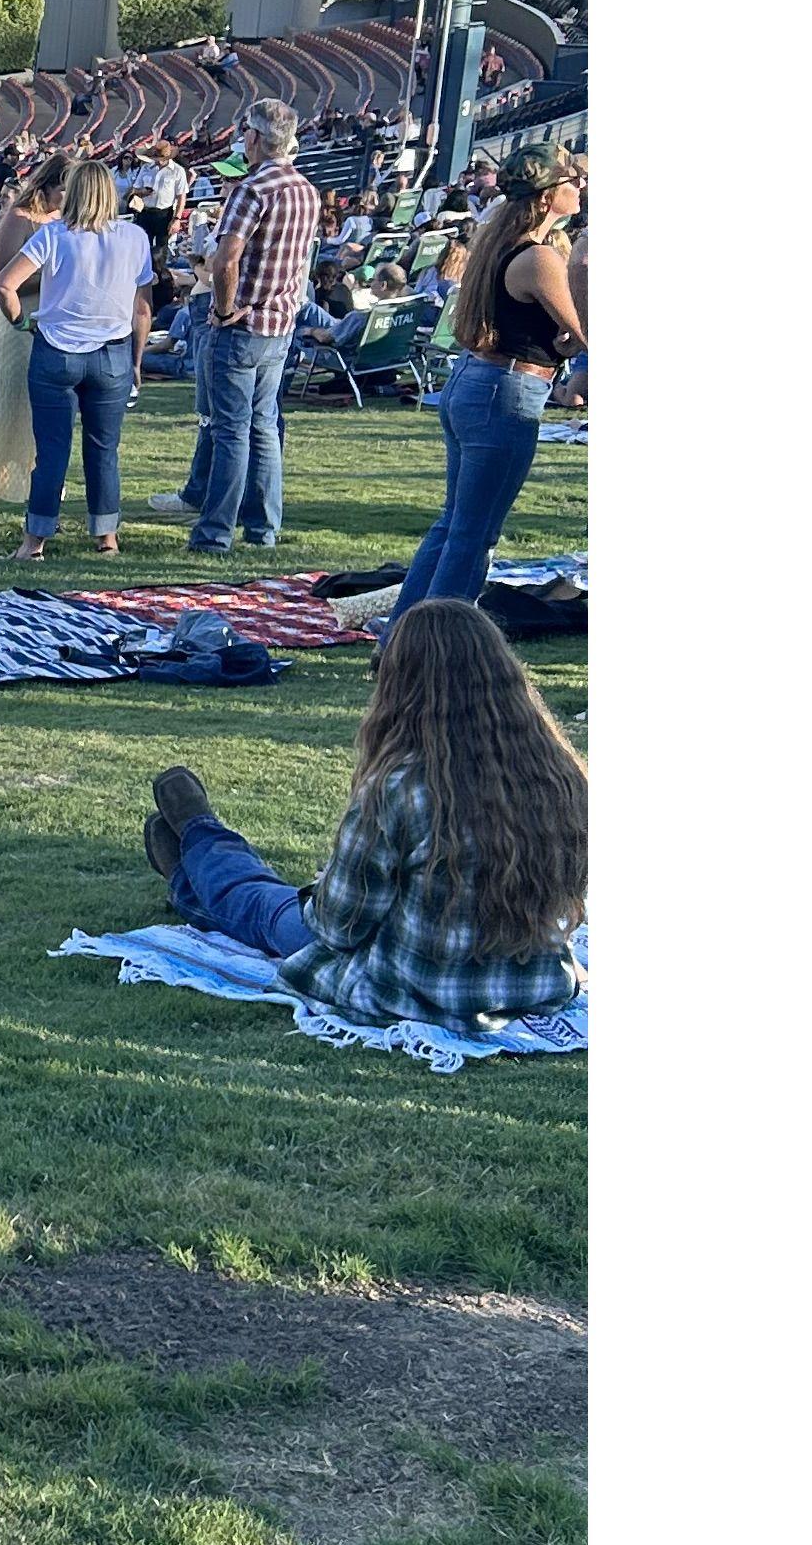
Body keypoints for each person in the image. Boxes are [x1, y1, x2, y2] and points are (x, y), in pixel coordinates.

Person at [140, 601, 585, 1034]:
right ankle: (192, 860)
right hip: (535, 985)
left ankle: (199, 839)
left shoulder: (402, 787)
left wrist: (324, 889)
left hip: (413, 987)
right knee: (280, 903)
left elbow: (338, 926)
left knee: (268, 906)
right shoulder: (564, 778)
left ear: (402, 685)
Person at [405, 149, 586, 606]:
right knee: (474, 535)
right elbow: (585, 331)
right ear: (546, 198)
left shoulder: (500, 243)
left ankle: (406, 632)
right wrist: (584, 262)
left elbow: (558, 337)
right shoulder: (539, 257)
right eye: (572, 180)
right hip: (504, 392)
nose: (580, 186)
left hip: (478, 381)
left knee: (454, 525)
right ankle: (440, 639)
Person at [0, 158, 155, 567]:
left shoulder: (54, 235)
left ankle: (34, 541)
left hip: (56, 350)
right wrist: (137, 360)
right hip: (113, 353)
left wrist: (22, 322)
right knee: (104, 450)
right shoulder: (135, 237)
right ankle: (107, 537)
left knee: (51, 451)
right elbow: (142, 309)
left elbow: (3, 285)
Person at [180, 98, 318, 555]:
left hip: (243, 325)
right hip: (279, 323)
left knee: (231, 430)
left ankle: (215, 533)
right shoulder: (307, 190)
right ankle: (263, 529)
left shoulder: (253, 189)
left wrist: (223, 310)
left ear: (254, 137)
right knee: (263, 427)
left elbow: (226, 260)